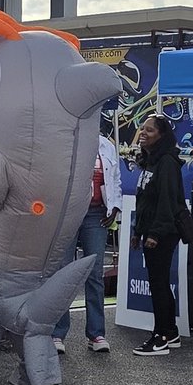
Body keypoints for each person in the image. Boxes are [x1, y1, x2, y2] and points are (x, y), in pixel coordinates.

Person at [52, 135, 121, 355]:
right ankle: (57, 332)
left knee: (95, 272)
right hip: (68, 213)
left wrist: (115, 207)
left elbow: (115, 178)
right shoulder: (65, 139)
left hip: (97, 214)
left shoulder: (106, 145)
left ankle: (96, 334)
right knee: (63, 272)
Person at [130, 115, 188, 357]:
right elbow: (145, 200)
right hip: (151, 230)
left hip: (162, 232)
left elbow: (167, 200)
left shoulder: (166, 162)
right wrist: (137, 231)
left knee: (159, 284)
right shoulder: (150, 162)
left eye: (150, 130)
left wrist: (154, 233)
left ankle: (160, 336)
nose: (143, 133)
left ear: (162, 136)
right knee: (159, 283)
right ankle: (170, 332)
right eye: (142, 129)